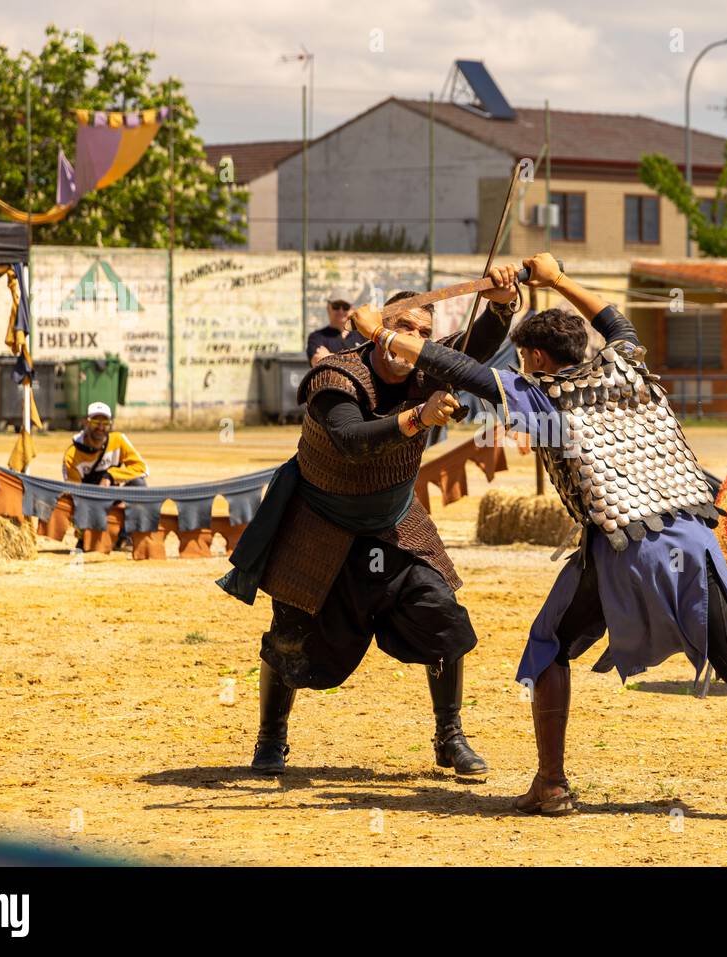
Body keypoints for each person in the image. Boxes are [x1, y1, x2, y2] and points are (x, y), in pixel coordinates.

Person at [349, 253, 727, 824]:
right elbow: (615, 320)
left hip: (627, 547)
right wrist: (557, 280)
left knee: (550, 642)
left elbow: (458, 370)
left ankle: (551, 787)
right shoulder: (627, 364)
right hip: (696, 540)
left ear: (536, 357)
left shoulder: (540, 399)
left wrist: (381, 333)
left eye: (525, 356)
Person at [218, 268, 521, 778]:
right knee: (290, 634)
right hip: (318, 523)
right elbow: (352, 440)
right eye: (405, 328)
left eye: (426, 333)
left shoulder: (429, 367)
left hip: (394, 522)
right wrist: (417, 418)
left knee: (441, 613)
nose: (417, 341)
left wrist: (502, 302)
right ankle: (270, 740)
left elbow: (477, 345)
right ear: (378, 328)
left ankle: (450, 737)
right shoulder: (335, 377)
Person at [63, 402, 149, 550]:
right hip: (89, 502)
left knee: (138, 485)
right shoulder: (72, 455)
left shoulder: (118, 440)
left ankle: (126, 536)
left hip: (115, 496)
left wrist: (111, 475)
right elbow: (74, 493)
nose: (101, 427)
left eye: (105, 422)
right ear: (86, 422)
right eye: (96, 421)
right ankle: (87, 537)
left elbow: (142, 468)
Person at [306, 293, 366, 366]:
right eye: (336, 306)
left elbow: (371, 362)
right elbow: (318, 362)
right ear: (328, 308)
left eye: (345, 307)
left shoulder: (364, 335)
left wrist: (329, 357)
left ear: (352, 310)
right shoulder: (317, 337)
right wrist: (356, 360)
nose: (341, 311)